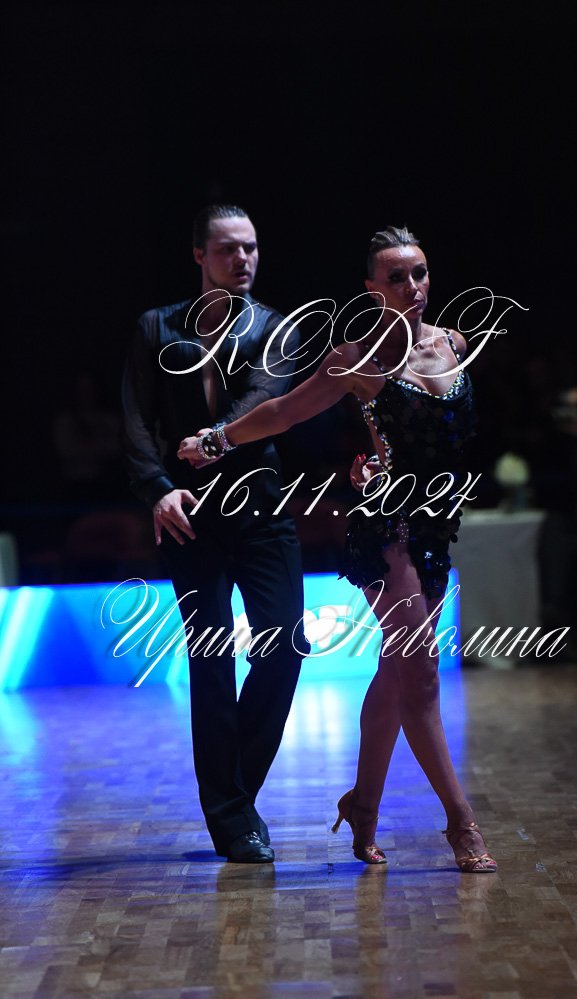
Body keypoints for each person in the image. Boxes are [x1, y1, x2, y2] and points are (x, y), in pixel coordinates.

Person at [179, 226, 497, 873]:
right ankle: (461, 823)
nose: (412, 287)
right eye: (396, 277)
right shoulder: (355, 361)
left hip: (437, 529)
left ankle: (363, 805)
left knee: (396, 674)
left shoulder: (455, 344)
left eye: (419, 273)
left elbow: (439, 441)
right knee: (421, 675)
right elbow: (283, 413)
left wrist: (382, 458)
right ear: (372, 289)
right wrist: (218, 439)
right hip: (387, 530)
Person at [122, 204, 306, 863]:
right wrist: (158, 487)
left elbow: (264, 398)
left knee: (286, 646)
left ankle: (234, 797)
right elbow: (135, 418)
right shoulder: (157, 327)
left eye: (251, 247)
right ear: (199, 254)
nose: (243, 259)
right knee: (211, 660)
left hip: (260, 507)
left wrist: (216, 437)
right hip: (189, 513)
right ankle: (234, 818)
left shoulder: (274, 326)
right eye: (229, 248)